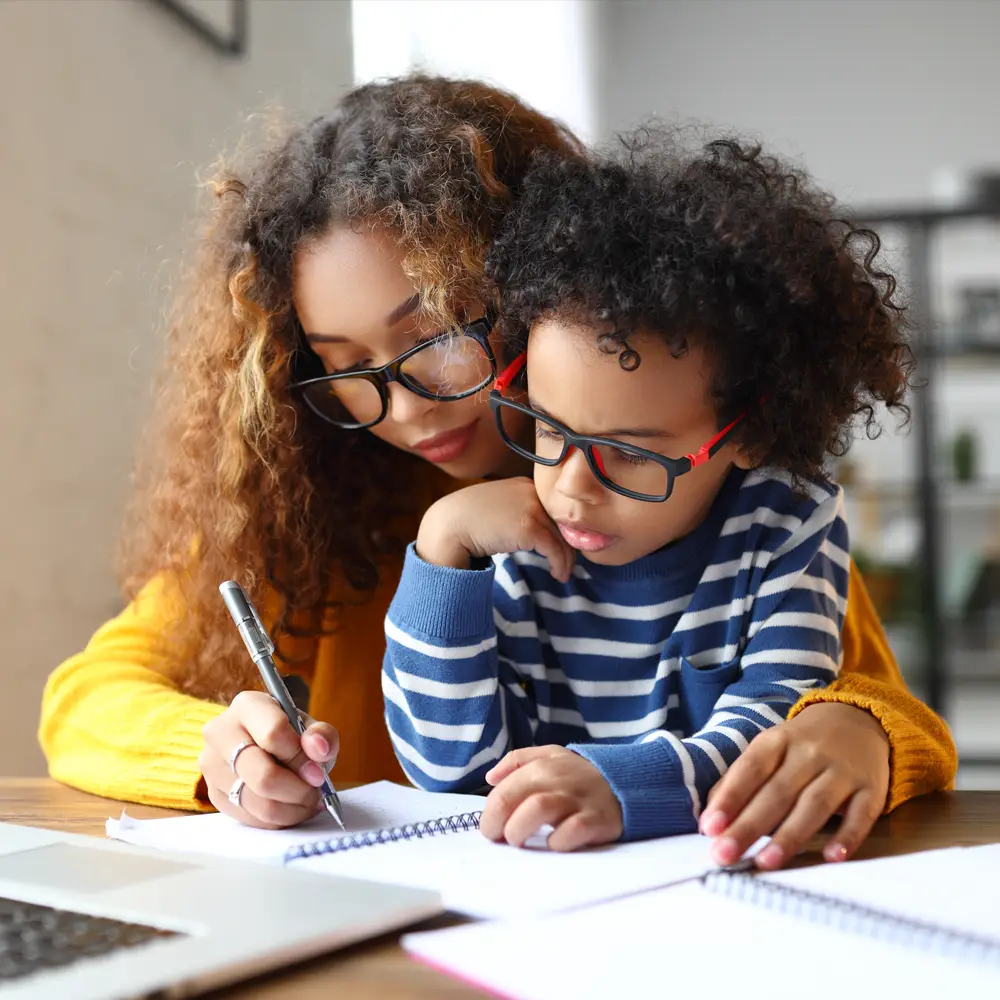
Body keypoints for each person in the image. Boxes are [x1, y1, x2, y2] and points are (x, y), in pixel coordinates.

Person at [38, 77, 955, 869]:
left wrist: (862, 729)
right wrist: (216, 752)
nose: (404, 408)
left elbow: (856, 695)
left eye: (435, 338)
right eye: (346, 367)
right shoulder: (307, 507)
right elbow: (86, 698)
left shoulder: (702, 494)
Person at [381, 132, 923, 858]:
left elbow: (775, 732)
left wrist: (622, 784)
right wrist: (442, 549)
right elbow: (448, 770)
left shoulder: (787, 524)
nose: (571, 489)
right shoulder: (512, 537)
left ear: (750, 432)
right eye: (547, 430)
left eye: (630, 454)